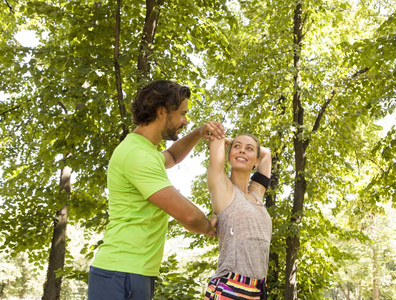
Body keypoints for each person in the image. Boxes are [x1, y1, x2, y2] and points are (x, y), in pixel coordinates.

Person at [88, 79, 225, 300]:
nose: (185, 120)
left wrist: (199, 133)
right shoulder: (137, 156)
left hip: (129, 273)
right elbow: (189, 216)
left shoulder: (143, 150)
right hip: (122, 273)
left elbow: (171, 157)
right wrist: (210, 227)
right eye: (182, 113)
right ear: (162, 112)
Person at [204, 133, 272, 300]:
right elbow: (216, 142)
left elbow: (267, 154)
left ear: (257, 161)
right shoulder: (223, 188)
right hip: (230, 287)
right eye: (237, 147)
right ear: (228, 156)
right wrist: (227, 142)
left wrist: (233, 142)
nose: (242, 151)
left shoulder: (256, 193)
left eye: (249, 149)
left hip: (258, 288)